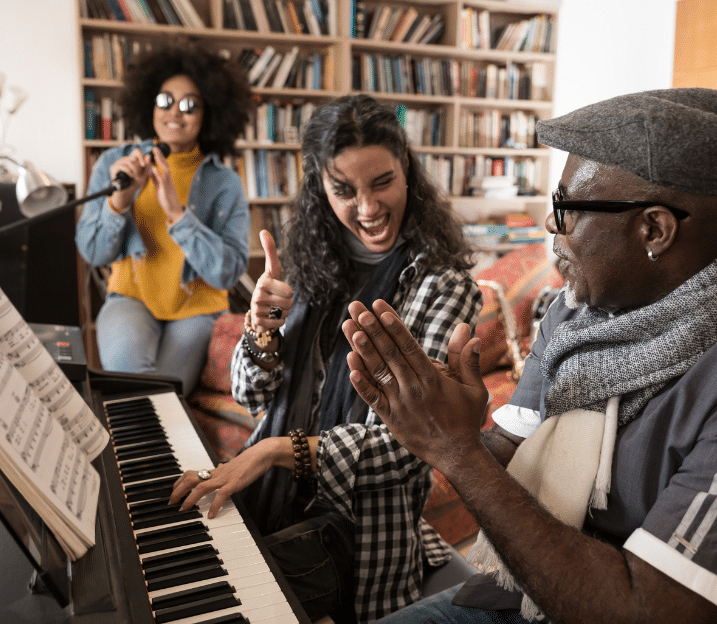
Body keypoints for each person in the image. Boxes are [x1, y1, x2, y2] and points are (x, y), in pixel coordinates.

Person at [342, 88, 717, 624]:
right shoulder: (583, 314)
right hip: (526, 596)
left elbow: (650, 611)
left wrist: (457, 453)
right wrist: (456, 430)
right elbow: (515, 458)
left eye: (565, 207)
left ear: (654, 229)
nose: (550, 225)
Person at [169, 94, 483, 623]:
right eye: (344, 190)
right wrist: (261, 328)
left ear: (405, 167)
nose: (366, 208)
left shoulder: (443, 287)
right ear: (321, 185)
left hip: (361, 549)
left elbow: (416, 443)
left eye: (381, 182)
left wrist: (273, 451)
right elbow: (252, 396)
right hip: (267, 501)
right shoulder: (311, 262)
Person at [76, 43, 252, 394]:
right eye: (164, 100)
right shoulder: (115, 165)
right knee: (128, 378)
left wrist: (176, 213)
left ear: (209, 113)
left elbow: (228, 272)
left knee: (164, 394)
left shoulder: (226, 183)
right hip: (131, 299)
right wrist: (118, 202)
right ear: (148, 104)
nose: (175, 112)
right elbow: (93, 253)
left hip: (197, 309)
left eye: (189, 105)